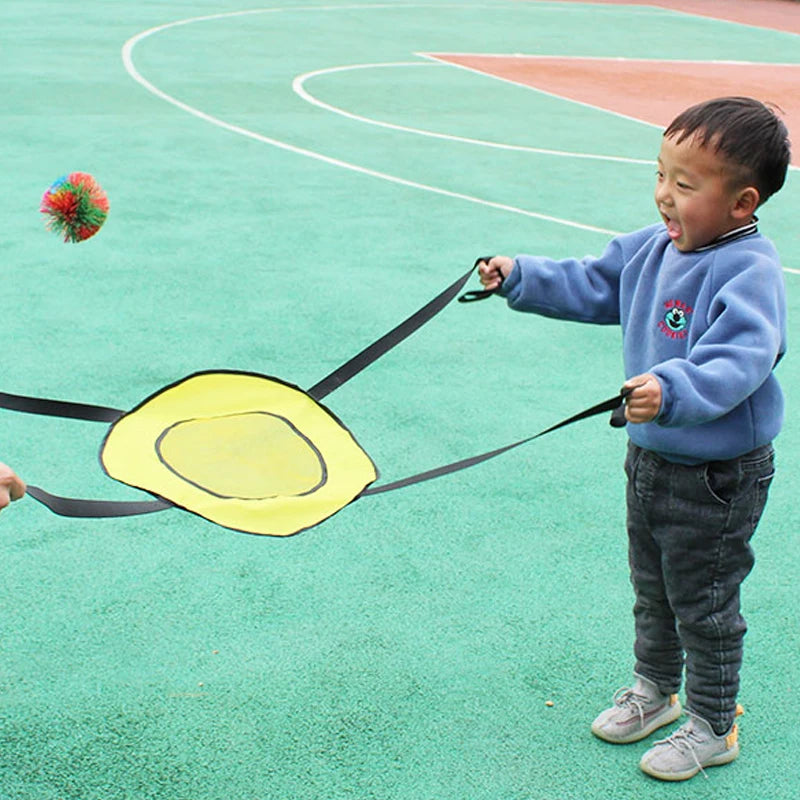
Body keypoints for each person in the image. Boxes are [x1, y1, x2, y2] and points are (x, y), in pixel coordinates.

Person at [477, 96, 790, 781]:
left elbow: (742, 359)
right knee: (652, 587)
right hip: (651, 457)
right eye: (660, 175)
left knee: (703, 601)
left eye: (685, 184)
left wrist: (672, 389)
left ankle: (712, 722)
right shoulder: (653, 250)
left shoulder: (750, 271)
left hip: (718, 474)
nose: (664, 197)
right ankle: (655, 692)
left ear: (741, 203)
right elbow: (594, 281)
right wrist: (520, 276)